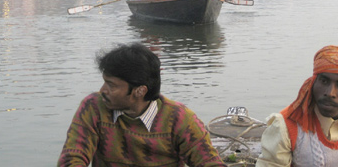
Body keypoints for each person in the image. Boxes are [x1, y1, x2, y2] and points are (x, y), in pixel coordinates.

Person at [57, 43, 226, 167]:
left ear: (139, 91)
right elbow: (72, 157)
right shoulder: (93, 107)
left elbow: (209, 162)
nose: (103, 90)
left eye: (111, 85)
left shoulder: (179, 118)